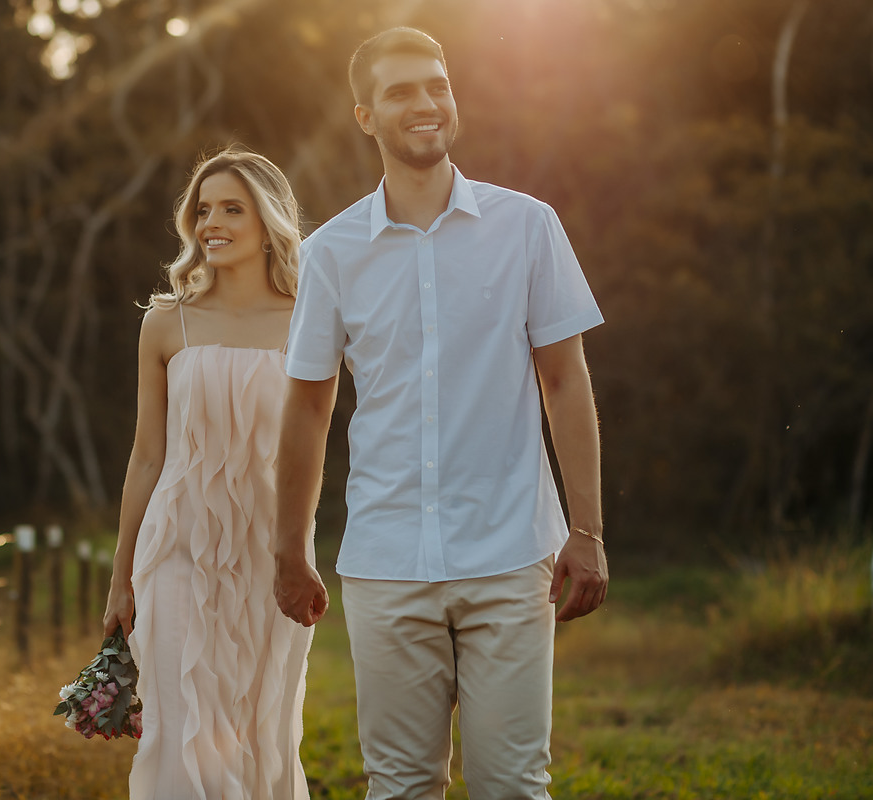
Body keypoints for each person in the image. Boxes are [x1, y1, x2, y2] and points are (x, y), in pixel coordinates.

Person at [273, 27, 608, 800]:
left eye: (437, 85)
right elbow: (307, 407)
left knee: (512, 784)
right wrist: (290, 548)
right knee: (399, 786)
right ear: (365, 116)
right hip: (386, 563)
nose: (426, 103)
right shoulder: (331, 252)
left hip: (511, 554)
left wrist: (586, 532)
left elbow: (566, 382)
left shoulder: (528, 226)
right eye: (400, 91)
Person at [103, 146, 314, 800]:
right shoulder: (167, 322)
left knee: (259, 733)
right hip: (175, 551)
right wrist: (120, 577)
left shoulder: (309, 322)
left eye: (232, 208)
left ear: (269, 221)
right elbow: (146, 456)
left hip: (269, 558)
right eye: (202, 209)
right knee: (178, 731)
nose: (211, 223)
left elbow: (318, 445)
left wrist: (296, 551)